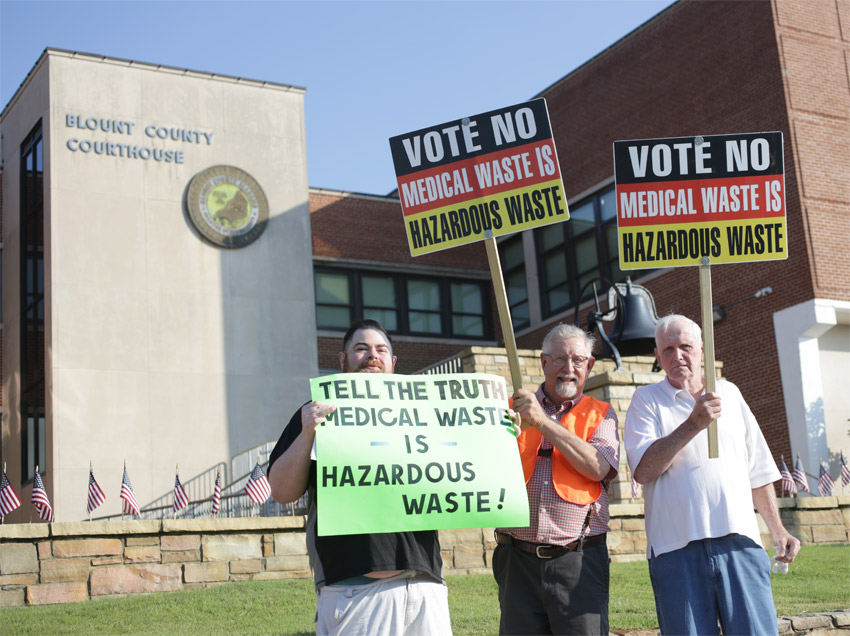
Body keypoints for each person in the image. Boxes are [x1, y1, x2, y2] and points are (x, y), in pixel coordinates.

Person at [268, 319, 451, 636]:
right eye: (361, 348)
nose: (372, 355)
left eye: (381, 349)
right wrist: (308, 433)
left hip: (425, 586)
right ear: (342, 360)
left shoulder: (424, 413)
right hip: (354, 590)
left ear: (392, 363)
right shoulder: (317, 413)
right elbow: (282, 491)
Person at [624, 314, 800, 635]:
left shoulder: (730, 394)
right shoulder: (646, 401)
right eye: (668, 349)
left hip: (739, 542)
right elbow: (644, 470)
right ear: (657, 356)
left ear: (702, 351)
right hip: (675, 550)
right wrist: (694, 423)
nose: (678, 356)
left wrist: (778, 531)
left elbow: (758, 470)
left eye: (686, 347)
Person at [493, 323, 619, 635]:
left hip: (578, 560)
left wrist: (542, 422)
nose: (569, 368)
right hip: (516, 561)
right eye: (560, 359)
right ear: (543, 362)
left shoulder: (602, 413)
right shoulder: (506, 411)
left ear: (589, 366)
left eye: (578, 360)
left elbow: (598, 467)